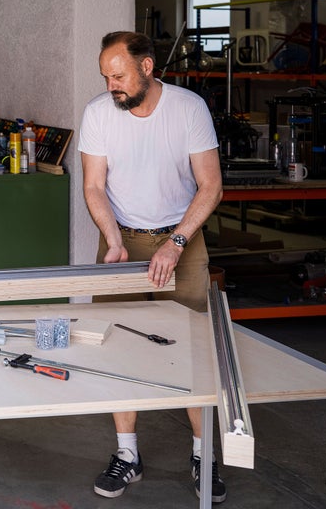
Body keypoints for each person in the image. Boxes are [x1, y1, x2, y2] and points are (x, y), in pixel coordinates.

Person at [79, 31, 225, 503]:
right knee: (118, 348)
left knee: (194, 353)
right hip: (125, 242)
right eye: (104, 76)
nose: (110, 85)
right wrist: (114, 238)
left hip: (181, 240)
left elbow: (210, 187)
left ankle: (205, 455)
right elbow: (94, 187)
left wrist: (176, 243)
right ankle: (127, 454)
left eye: (117, 75)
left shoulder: (188, 108)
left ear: (146, 67)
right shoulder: (99, 113)